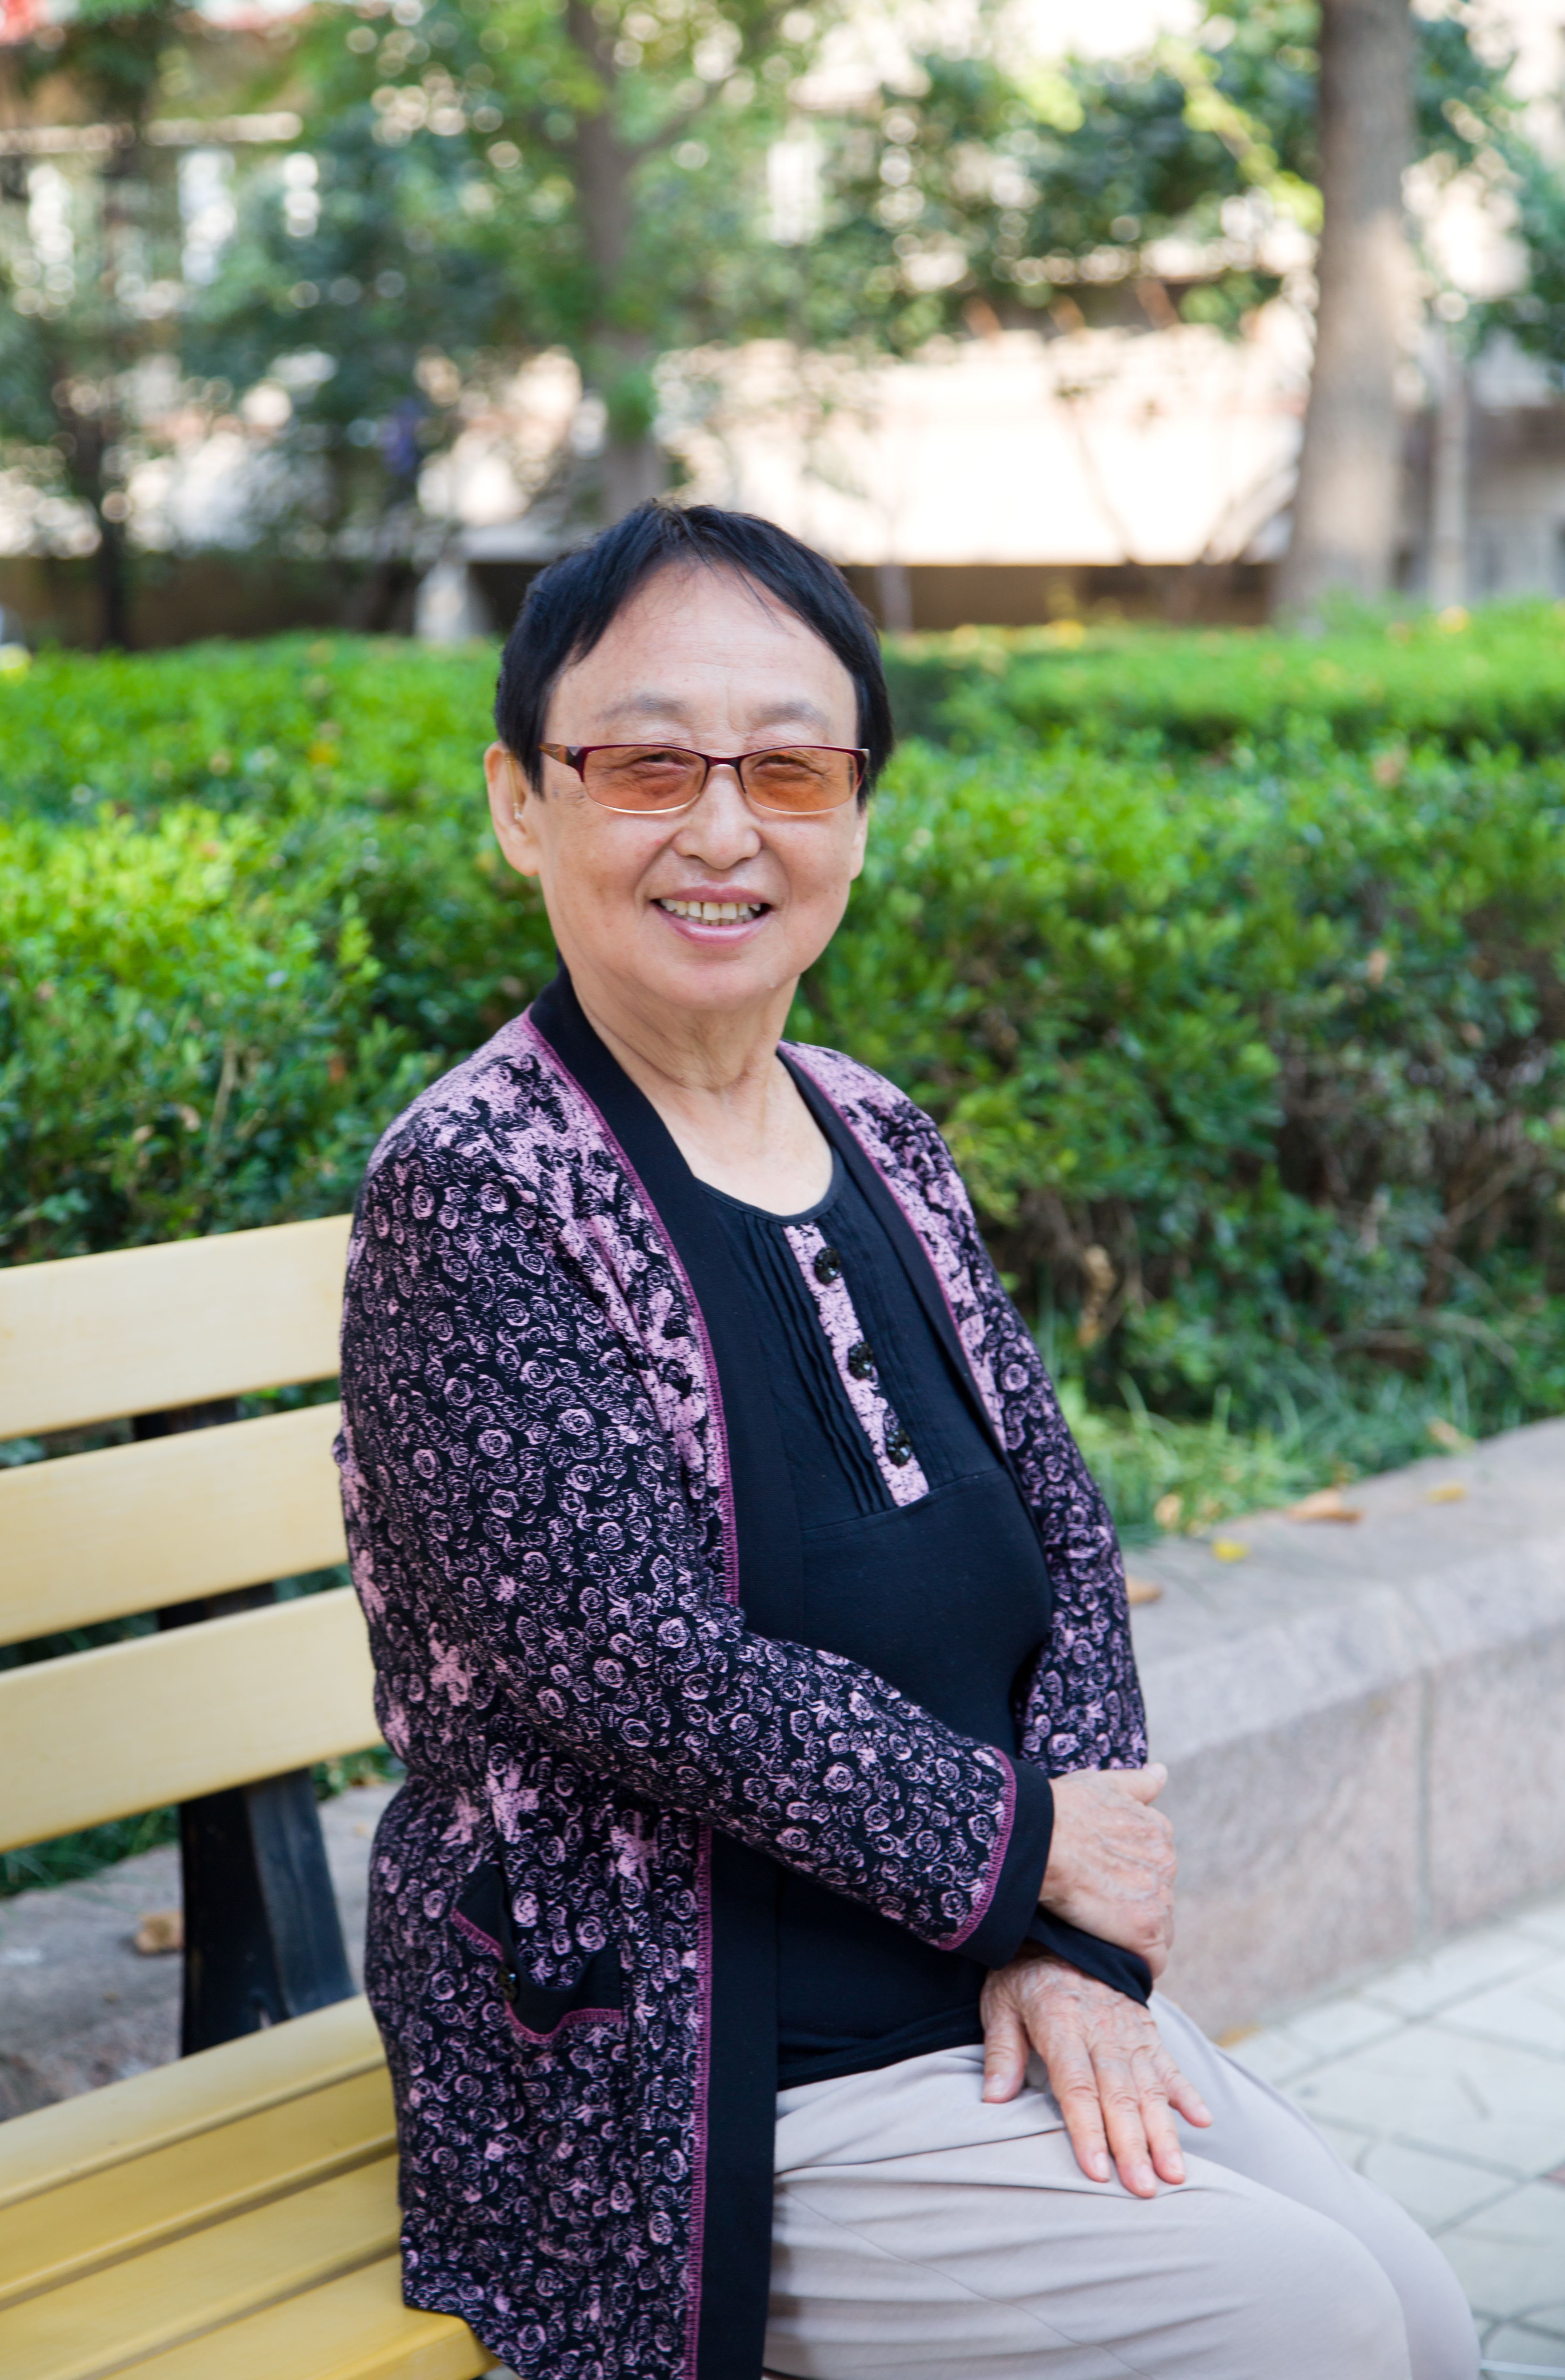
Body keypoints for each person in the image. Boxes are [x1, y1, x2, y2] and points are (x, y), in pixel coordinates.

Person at [336, 502, 1477, 2380]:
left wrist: (1071, 1943)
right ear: (523, 803)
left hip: (974, 1977)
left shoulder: (874, 1127)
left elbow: (1067, 1541)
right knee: (1310, 2322)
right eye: (648, 765)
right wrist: (1028, 1853)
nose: (726, 830)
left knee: (1417, 2305)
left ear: (858, 812)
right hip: (691, 2060)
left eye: (791, 767)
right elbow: (633, 1665)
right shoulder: (473, 1189)